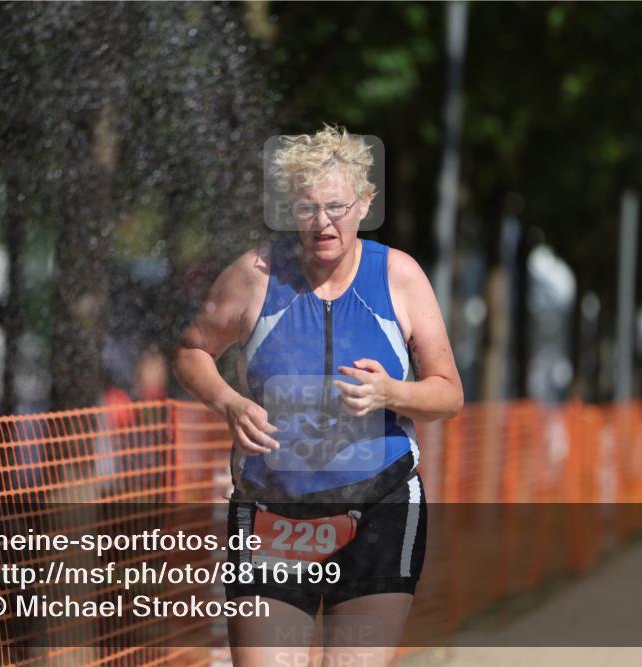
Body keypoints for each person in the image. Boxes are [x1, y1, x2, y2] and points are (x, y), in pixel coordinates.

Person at [173, 125, 463, 666]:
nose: (323, 223)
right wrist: (230, 402)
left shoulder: (398, 277)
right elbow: (191, 351)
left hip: (379, 505)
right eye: (307, 208)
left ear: (365, 204)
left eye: (336, 206)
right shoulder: (255, 276)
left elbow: (448, 394)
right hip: (271, 512)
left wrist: (390, 392)